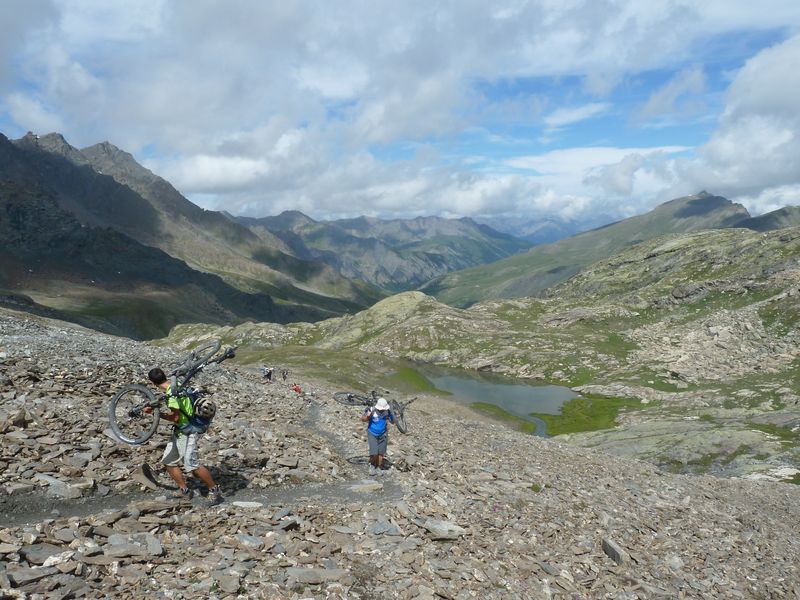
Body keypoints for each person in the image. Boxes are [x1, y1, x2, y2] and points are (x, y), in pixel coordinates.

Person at [146, 367, 223, 506]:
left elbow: (175, 417)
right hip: (180, 432)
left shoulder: (172, 396)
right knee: (169, 461)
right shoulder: (177, 384)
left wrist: (158, 414)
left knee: (192, 465)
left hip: (189, 431)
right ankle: (184, 491)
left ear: (152, 382)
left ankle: (215, 490)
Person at [360, 397, 394, 475]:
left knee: (381, 453)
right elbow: (363, 419)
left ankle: (378, 467)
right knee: (374, 452)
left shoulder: (387, 411)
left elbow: (393, 421)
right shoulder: (371, 409)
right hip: (372, 433)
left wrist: (393, 416)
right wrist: (368, 416)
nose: (382, 410)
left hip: (383, 433)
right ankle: (372, 466)